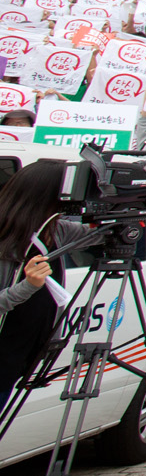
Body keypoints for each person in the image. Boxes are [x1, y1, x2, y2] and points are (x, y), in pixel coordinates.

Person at [0, 162, 87, 406]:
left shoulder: (53, 230)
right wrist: (27, 286)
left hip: (18, 357)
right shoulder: (5, 236)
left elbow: (98, 235)